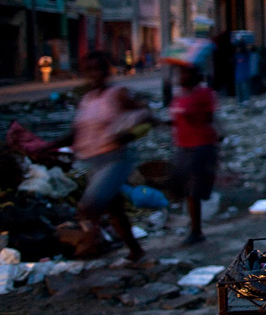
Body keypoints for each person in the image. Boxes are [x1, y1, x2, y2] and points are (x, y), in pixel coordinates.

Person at [46, 51, 147, 261]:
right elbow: (76, 132)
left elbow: (146, 115)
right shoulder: (87, 100)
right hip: (94, 161)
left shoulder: (117, 94)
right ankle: (135, 250)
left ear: (107, 71)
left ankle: (88, 246)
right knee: (115, 209)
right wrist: (51, 145)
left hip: (116, 159)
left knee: (89, 205)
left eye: (100, 69)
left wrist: (127, 135)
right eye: (91, 70)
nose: (96, 74)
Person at [168, 64, 219, 245]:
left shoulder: (204, 93)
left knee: (193, 190)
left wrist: (193, 116)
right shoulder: (179, 94)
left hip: (201, 145)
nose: (181, 76)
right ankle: (194, 227)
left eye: (185, 72)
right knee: (181, 186)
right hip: (183, 145)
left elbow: (209, 118)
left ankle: (196, 230)